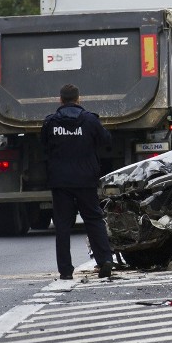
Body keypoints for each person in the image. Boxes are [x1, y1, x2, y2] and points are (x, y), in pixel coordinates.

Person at [40, 84, 115, 280]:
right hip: (86, 180)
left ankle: (65, 270)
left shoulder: (50, 123)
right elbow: (106, 140)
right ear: (79, 99)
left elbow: (44, 146)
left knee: (63, 225)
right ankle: (105, 260)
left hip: (60, 182)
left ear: (60, 100)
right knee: (93, 219)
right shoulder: (90, 121)